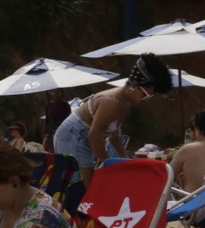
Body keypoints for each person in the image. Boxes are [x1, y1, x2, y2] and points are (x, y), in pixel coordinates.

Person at [55, 53, 172, 187]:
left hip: (85, 135)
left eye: (149, 97)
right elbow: (93, 135)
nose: (144, 100)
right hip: (73, 136)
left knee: (89, 185)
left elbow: (114, 131)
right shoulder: (112, 103)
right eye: (144, 95)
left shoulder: (126, 103)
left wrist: (124, 158)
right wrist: (108, 163)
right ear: (134, 85)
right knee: (83, 187)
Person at [172, 109, 205, 199]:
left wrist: (177, 189)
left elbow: (165, 177)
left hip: (193, 206)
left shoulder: (188, 149)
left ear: (198, 128)